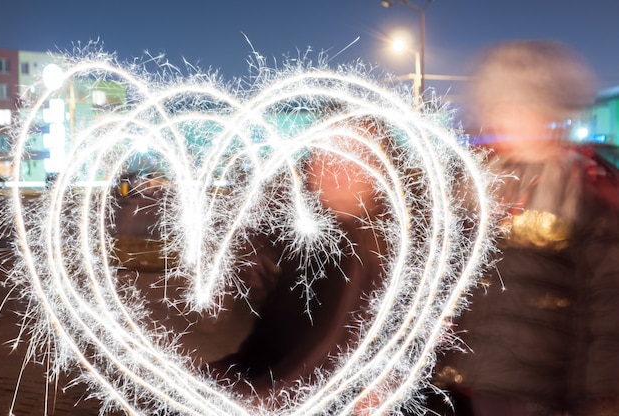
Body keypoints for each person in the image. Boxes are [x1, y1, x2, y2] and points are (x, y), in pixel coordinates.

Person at [429, 40, 619, 416]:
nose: (508, 116)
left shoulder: (584, 189)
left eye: (519, 103)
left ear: (545, 107)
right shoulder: (481, 186)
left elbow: (608, 300)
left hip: (546, 390)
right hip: (477, 382)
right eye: (500, 105)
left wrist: (602, 394)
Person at [208, 117, 390, 411]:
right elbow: (271, 336)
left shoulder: (370, 252)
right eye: (324, 154)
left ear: (377, 170)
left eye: (350, 155)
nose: (333, 168)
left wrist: (252, 398)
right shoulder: (309, 238)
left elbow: (328, 355)